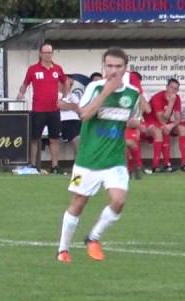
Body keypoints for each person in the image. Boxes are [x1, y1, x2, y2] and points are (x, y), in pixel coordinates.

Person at [56, 49, 139, 264]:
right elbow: (84, 115)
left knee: (119, 200)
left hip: (114, 159)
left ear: (125, 68)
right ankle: (63, 249)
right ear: (104, 67)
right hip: (87, 161)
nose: (112, 71)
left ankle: (93, 237)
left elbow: (133, 118)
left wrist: (133, 124)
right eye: (109, 66)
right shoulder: (95, 87)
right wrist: (105, 93)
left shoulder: (132, 94)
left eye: (117, 66)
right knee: (78, 203)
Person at [18, 43, 70, 174]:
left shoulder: (58, 69)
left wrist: (64, 98)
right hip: (38, 109)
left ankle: (55, 166)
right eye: (45, 52)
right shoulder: (33, 69)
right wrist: (21, 94)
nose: (48, 55)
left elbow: (66, 82)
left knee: (54, 138)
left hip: (54, 110)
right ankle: (32, 165)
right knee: (35, 138)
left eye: (50, 52)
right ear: (40, 54)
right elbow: (25, 84)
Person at [142, 78, 183, 173]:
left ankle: (167, 164)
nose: (173, 90)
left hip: (163, 123)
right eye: (171, 87)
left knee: (174, 128)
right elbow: (162, 119)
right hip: (150, 121)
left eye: (176, 89)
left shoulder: (177, 98)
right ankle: (155, 165)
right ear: (166, 87)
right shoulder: (157, 97)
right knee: (161, 131)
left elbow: (178, 118)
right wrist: (171, 103)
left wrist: (171, 125)